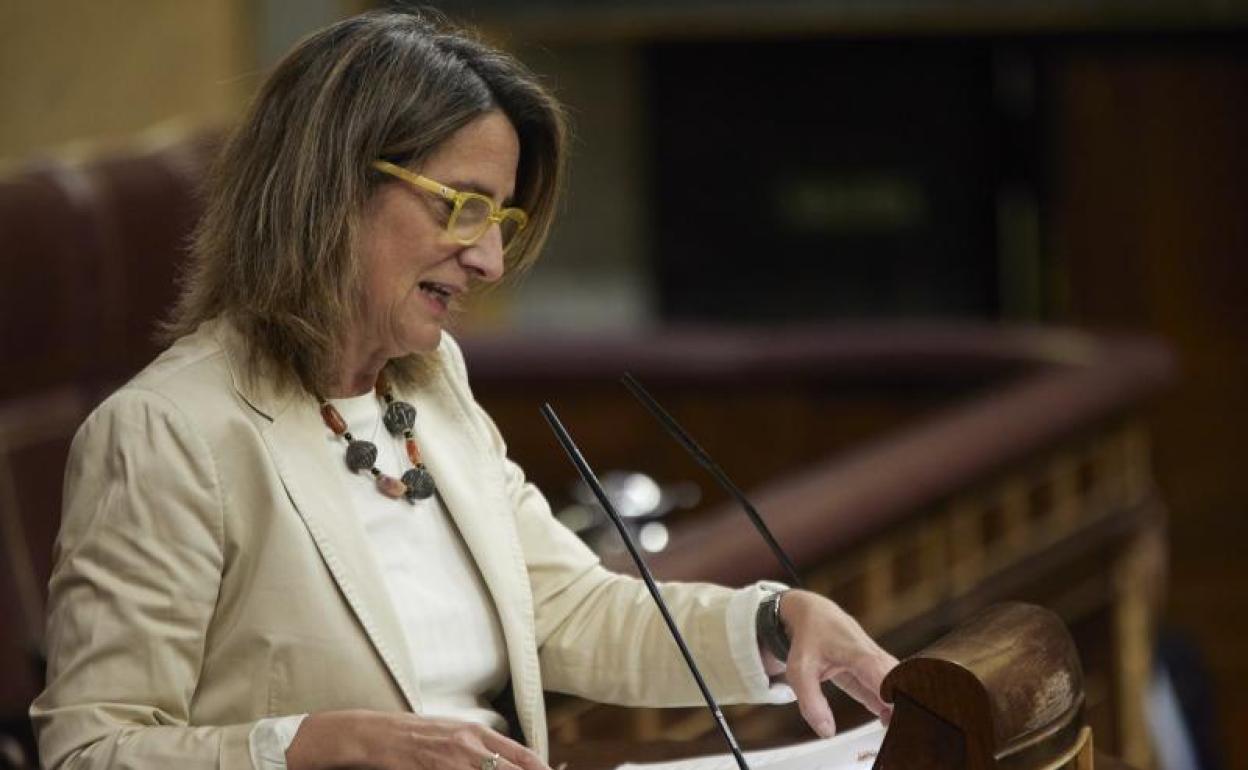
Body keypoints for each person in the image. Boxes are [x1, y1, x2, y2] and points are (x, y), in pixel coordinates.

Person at [30, 10, 897, 770]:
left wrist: (776, 623)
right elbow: (92, 750)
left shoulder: (431, 383)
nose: (489, 260)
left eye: (502, 219)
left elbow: (565, 607)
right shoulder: (168, 431)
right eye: (462, 206)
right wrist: (323, 743)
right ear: (331, 187)